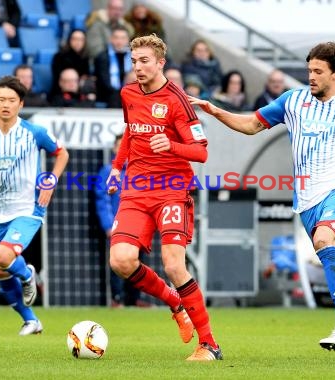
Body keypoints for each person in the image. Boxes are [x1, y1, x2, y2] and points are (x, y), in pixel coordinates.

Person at [190, 41, 335, 350]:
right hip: (308, 201)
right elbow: (250, 125)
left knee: (323, 240)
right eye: (309, 70)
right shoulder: (292, 101)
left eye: (318, 71)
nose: (311, 76)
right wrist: (215, 110)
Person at [106, 34, 222, 361]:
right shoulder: (128, 93)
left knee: (173, 264)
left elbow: (200, 152)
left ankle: (209, 345)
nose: (138, 68)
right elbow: (131, 131)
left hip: (172, 190)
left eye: (144, 61)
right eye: (134, 62)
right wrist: (117, 167)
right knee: (121, 261)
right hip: (136, 190)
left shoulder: (177, 100)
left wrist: (170, 145)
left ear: (161, 63)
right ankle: (174, 303)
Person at [0, 76, 69, 335]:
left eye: (11, 100)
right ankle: (31, 320)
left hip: (29, 208)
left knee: (5, 257)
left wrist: (50, 181)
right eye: (1, 100)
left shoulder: (34, 132)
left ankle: (29, 275)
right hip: (0, 211)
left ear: (20, 104)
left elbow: (62, 153)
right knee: (1, 271)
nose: (6, 105)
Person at [95, 133, 142, 307]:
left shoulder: (140, 171)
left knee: (137, 262)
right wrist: (108, 225)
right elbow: (102, 199)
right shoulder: (108, 171)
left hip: (139, 226)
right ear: (115, 149)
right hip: (118, 226)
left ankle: (134, 299)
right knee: (118, 262)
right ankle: (117, 299)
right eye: (120, 145)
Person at [93, 25, 131, 108]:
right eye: (116, 38)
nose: (119, 41)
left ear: (128, 40)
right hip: (108, 97)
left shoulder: (134, 57)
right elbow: (105, 83)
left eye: (123, 38)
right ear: (111, 39)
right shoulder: (102, 57)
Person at [51, 28, 91, 93]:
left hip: (80, 91)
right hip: (61, 92)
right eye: (75, 39)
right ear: (69, 40)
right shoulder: (59, 57)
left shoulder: (85, 57)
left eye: (81, 40)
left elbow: (86, 76)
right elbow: (58, 80)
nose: (78, 42)